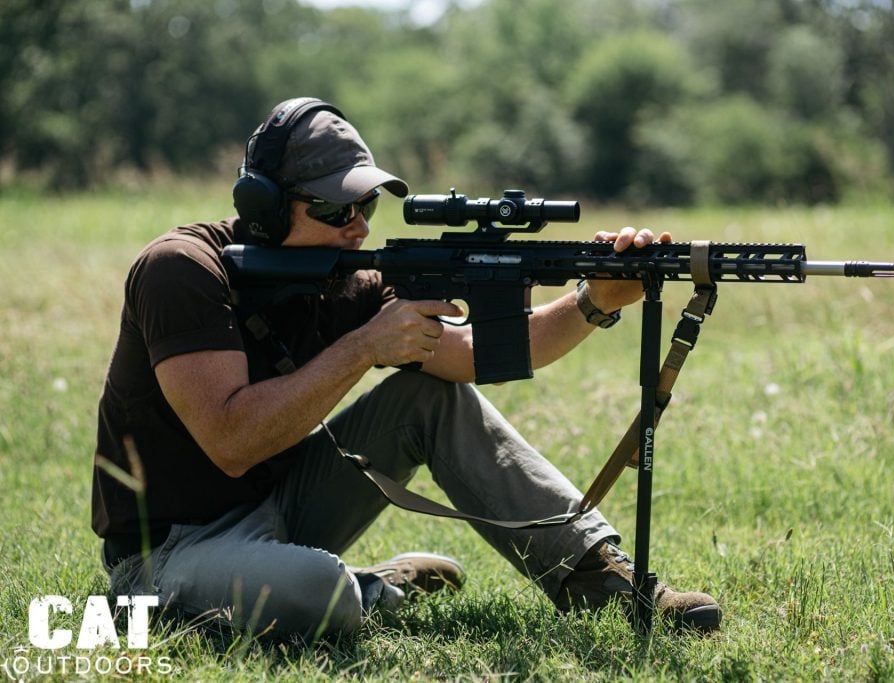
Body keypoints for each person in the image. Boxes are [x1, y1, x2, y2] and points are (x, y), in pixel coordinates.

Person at [91, 97, 721, 640]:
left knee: (431, 394)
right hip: (166, 549)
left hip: (280, 505)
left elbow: (471, 357)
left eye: (365, 206)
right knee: (318, 591)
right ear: (264, 208)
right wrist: (364, 347)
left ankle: (598, 580)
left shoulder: (347, 277)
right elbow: (231, 442)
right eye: (337, 212)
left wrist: (593, 302)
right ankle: (373, 589)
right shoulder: (182, 270)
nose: (358, 228)